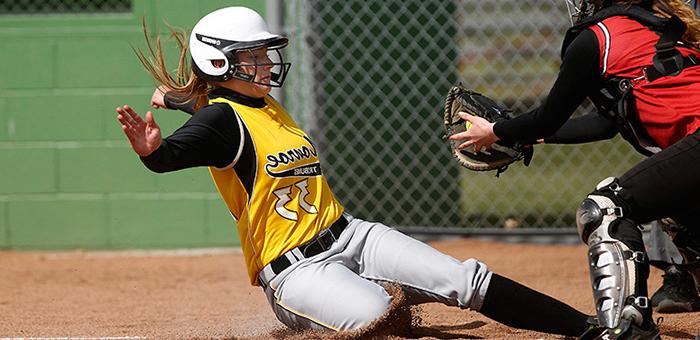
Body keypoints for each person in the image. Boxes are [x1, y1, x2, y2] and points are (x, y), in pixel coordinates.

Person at [117, 6, 594, 336]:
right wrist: (153, 152)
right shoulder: (219, 120)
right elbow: (189, 142)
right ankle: (367, 296)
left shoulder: (261, 104)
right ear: (221, 61)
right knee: (378, 321)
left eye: (265, 54)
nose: (266, 64)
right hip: (296, 274)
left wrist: (179, 97)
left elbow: (217, 99)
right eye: (254, 57)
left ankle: (591, 328)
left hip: (351, 235)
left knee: (464, 279)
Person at [450, 0, 700, 338]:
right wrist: (527, 139)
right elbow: (606, 123)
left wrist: (495, 131)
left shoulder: (597, 38)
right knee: (676, 210)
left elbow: (549, 116)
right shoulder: (655, 26)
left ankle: (627, 329)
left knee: (606, 210)